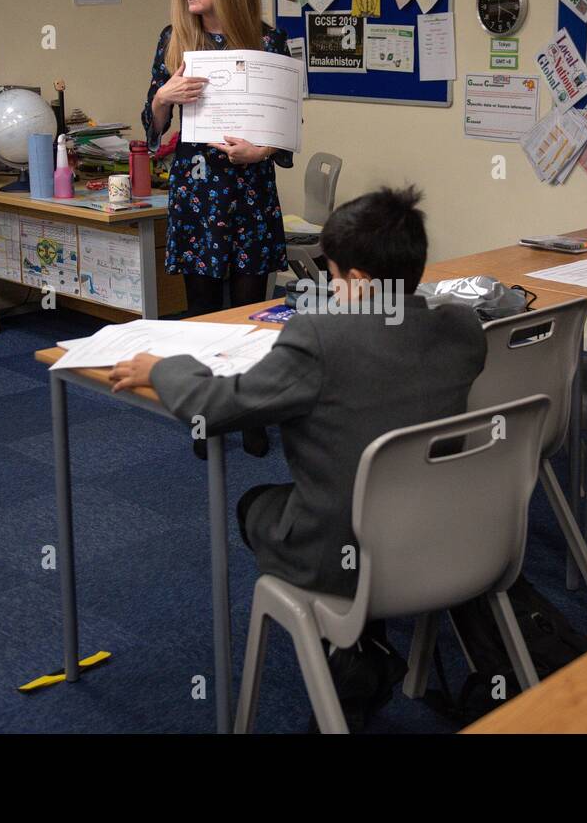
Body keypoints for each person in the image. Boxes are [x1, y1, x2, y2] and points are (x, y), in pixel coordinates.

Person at [108, 186, 487, 727]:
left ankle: (353, 649)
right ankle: (364, 647)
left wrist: (164, 366)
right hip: (450, 532)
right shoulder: (463, 329)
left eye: (333, 275)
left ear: (356, 281)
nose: (330, 288)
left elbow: (213, 408)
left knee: (254, 505)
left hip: (343, 550)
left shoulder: (319, 338)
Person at [142, 0, 292, 318]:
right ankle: (203, 379)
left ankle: (249, 378)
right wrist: (163, 98)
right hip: (197, 191)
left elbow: (287, 124)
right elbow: (154, 128)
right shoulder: (175, 40)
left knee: (250, 311)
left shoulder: (268, 42)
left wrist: (262, 151)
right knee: (202, 312)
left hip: (250, 191)